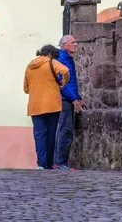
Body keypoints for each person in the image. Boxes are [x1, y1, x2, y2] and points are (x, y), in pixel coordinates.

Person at [23, 43, 68, 169]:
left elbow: (26, 89)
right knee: (51, 134)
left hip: (35, 105)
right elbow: (65, 70)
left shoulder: (30, 66)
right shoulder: (51, 62)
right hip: (52, 104)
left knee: (39, 135)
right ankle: (49, 164)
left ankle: (41, 164)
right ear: (50, 54)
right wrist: (63, 83)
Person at [54, 35, 81, 170]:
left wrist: (78, 97)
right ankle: (60, 163)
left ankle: (59, 162)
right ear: (65, 45)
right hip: (64, 100)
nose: (76, 44)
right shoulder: (62, 59)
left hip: (67, 99)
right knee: (65, 130)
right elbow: (62, 83)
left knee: (64, 130)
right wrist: (74, 98)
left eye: (76, 42)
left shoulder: (67, 58)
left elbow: (71, 82)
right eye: (73, 42)